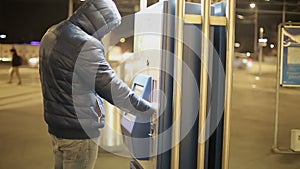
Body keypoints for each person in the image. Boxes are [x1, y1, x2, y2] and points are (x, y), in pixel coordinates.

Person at [39, 0, 154, 169]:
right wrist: (145, 109)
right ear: (100, 21)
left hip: (57, 126)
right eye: (108, 27)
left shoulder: (53, 33)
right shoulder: (83, 44)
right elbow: (110, 86)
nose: (107, 32)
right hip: (79, 131)